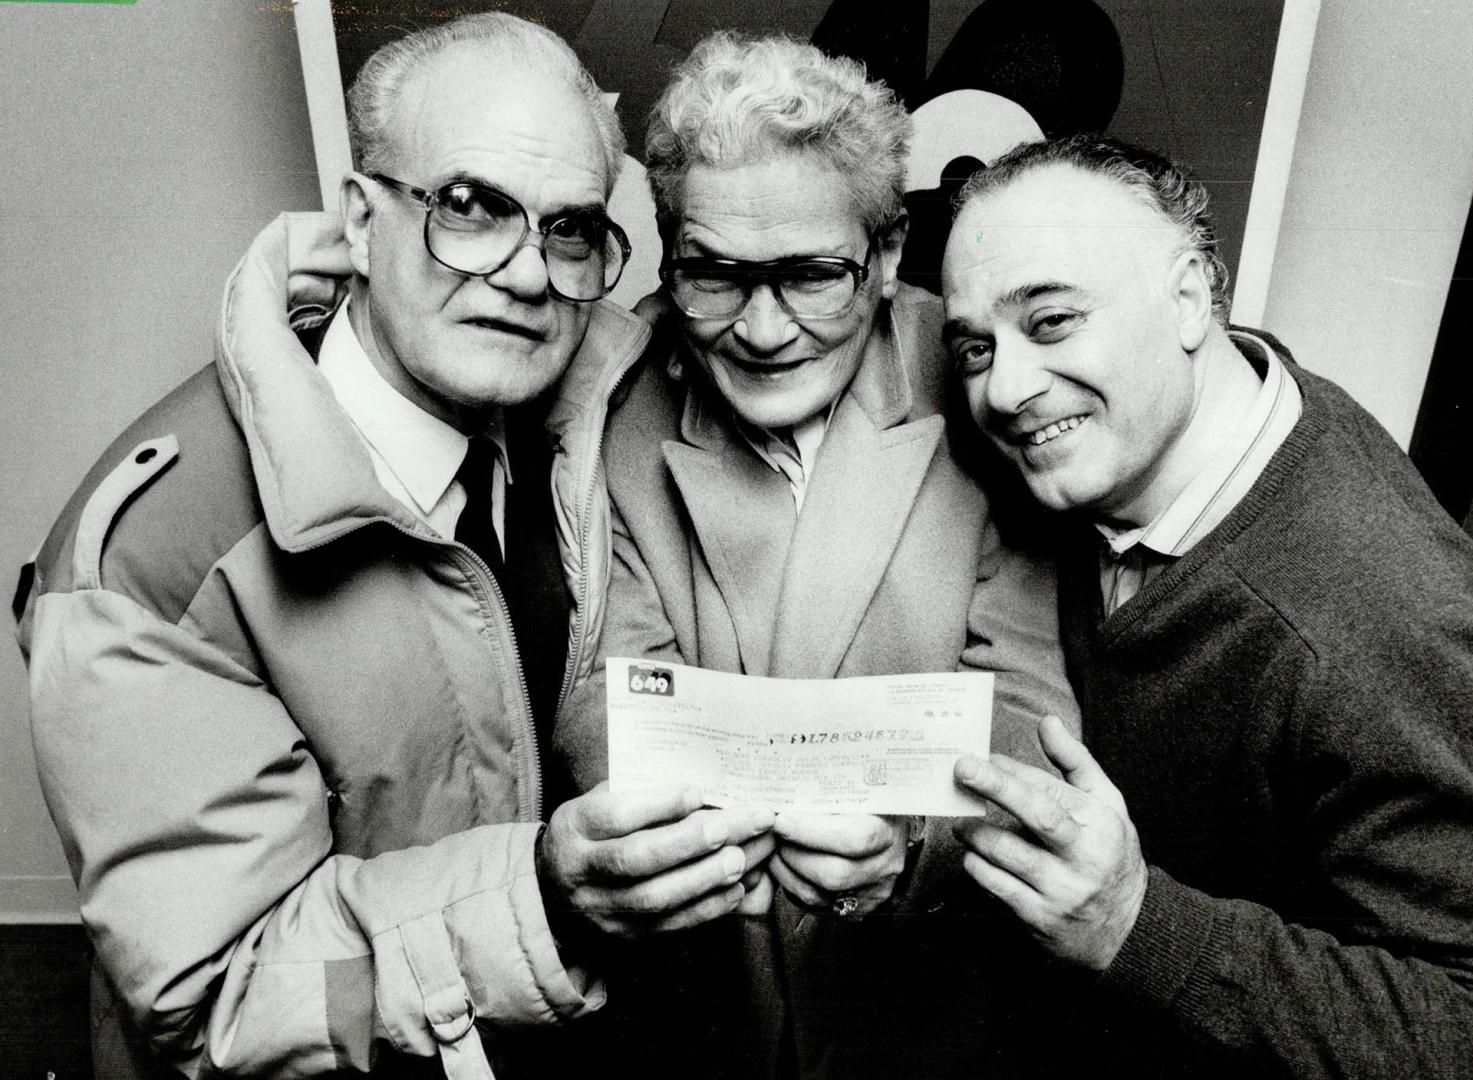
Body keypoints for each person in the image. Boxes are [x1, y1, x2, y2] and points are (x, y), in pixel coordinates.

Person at [14, 14, 778, 1078]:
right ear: (360, 219)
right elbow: (221, 995)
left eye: (568, 230)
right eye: (470, 208)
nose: (524, 271)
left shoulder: (589, 405)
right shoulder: (148, 558)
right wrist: (544, 902)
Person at [556, 33, 1077, 1080]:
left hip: (926, 1012)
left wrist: (908, 847)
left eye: (810, 277)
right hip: (696, 1011)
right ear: (670, 254)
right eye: (715, 274)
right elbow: (604, 695)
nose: (759, 328)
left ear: (885, 260)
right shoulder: (606, 407)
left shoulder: (979, 382)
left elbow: (1025, 707)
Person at [941, 133, 1473, 1078]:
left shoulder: (1373, 612)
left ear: (1190, 296)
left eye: (1053, 321)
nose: (1007, 388)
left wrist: (1134, 927)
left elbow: (1458, 1026)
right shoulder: (1118, 441)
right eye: (976, 346)